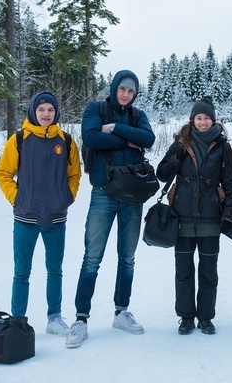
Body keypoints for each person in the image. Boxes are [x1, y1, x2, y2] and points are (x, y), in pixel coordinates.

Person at [66, 70, 156, 348]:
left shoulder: (137, 115)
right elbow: (91, 138)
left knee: (127, 258)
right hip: (104, 192)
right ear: (115, 88)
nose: (126, 94)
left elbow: (149, 139)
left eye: (131, 91)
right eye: (123, 89)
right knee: (92, 257)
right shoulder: (96, 109)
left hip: (133, 193)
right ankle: (80, 319)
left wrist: (116, 129)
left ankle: (121, 312)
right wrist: (130, 140)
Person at [0, 92, 82, 337]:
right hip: (26, 219)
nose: (46, 114)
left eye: (50, 110)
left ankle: (54, 318)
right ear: (33, 111)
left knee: (55, 270)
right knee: (21, 272)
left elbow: (75, 175)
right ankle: (18, 319)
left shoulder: (65, 141)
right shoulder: (20, 139)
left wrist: (67, 197)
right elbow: (3, 173)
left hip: (56, 218)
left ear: (56, 113)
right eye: (42, 109)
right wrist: (17, 198)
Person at [156, 96, 232, 335]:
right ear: (192, 120)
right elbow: (162, 173)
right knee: (183, 270)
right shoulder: (182, 143)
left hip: (211, 216)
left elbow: (230, 183)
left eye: (207, 118)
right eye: (198, 118)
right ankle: (187, 317)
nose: (203, 122)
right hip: (182, 216)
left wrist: (229, 212)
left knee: (209, 270)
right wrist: (176, 157)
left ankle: (206, 317)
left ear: (214, 120)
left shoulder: (223, 146)